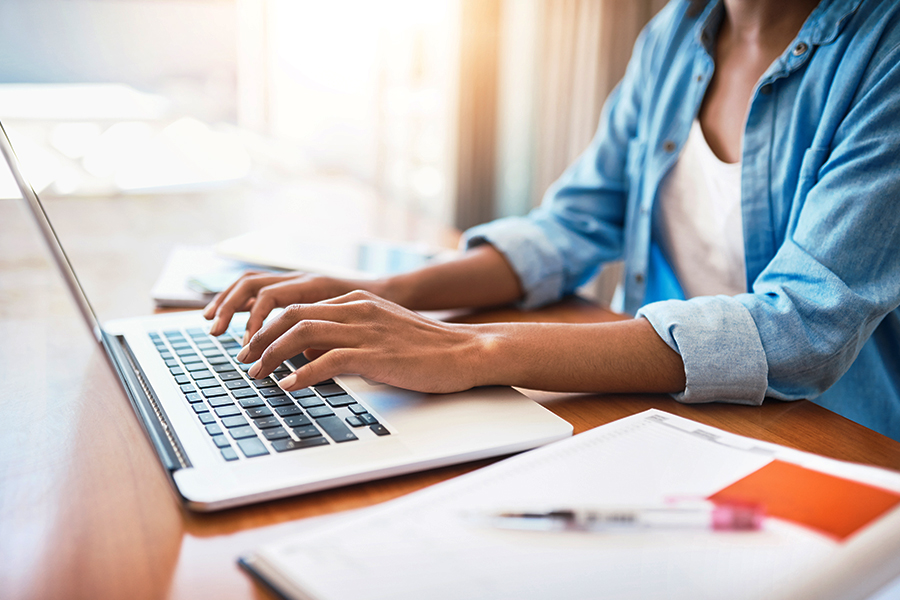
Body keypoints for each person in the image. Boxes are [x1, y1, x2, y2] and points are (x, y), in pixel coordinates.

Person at [204, 0, 900, 441]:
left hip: (836, 441)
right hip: (672, 416)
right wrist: (388, 297)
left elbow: (804, 324)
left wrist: (471, 351)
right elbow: (573, 223)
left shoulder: (884, 51)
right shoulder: (677, 33)